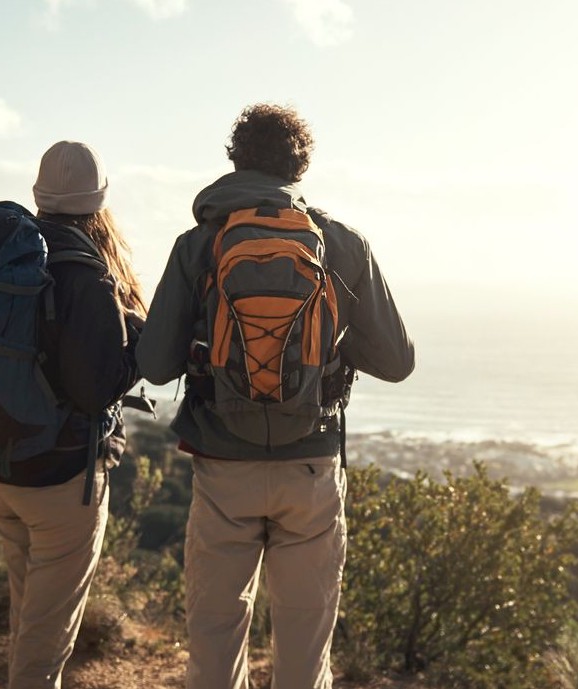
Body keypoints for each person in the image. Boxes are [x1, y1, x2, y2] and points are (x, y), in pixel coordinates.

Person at [136, 104, 414, 689]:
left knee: (214, 632)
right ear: (299, 165)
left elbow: (155, 366)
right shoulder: (340, 243)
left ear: (236, 158)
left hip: (222, 462)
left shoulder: (198, 244)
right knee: (304, 644)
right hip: (309, 464)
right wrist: (326, 344)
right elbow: (396, 362)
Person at [0, 140, 146, 689]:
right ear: (98, 202)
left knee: (28, 618)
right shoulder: (86, 272)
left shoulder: (10, 253)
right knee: (46, 639)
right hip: (62, 478)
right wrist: (139, 348)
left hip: (0, 466)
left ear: (39, 195)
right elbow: (94, 389)